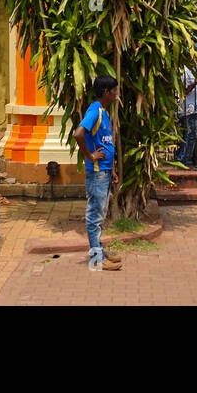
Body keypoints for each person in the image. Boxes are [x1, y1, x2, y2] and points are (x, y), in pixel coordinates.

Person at [73, 76, 121, 271]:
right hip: (97, 172)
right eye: (114, 91)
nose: (116, 94)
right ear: (105, 92)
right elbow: (78, 133)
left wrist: (113, 170)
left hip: (105, 171)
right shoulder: (94, 111)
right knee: (95, 215)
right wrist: (90, 155)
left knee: (99, 213)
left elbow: (106, 142)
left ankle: (99, 250)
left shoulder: (103, 112)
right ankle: (97, 260)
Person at [176, 66, 197, 168]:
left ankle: (186, 157)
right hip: (187, 109)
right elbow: (185, 91)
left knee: (193, 135)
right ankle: (182, 158)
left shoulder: (193, 71)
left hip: (194, 108)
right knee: (188, 134)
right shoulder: (183, 71)